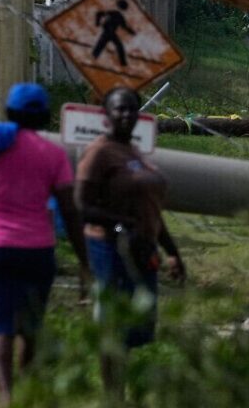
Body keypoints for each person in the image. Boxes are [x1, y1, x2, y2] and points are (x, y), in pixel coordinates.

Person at [0, 84, 89, 407]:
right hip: (37, 252)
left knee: (0, 328)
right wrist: (84, 261)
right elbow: (69, 210)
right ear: (43, 117)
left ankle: (6, 396)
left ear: (10, 113)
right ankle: (25, 388)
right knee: (29, 327)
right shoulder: (54, 156)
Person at [77, 86, 185, 399]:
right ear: (106, 114)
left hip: (141, 249)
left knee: (134, 329)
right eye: (118, 109)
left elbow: (151, 211)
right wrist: (121, 225)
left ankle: (120, 392)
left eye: (131, 109)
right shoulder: (99, 152)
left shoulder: (134, 152)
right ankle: (114, 396)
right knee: (113, 326)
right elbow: (82, 206)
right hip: (111, 249)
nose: (125, 114)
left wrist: (172, 252)